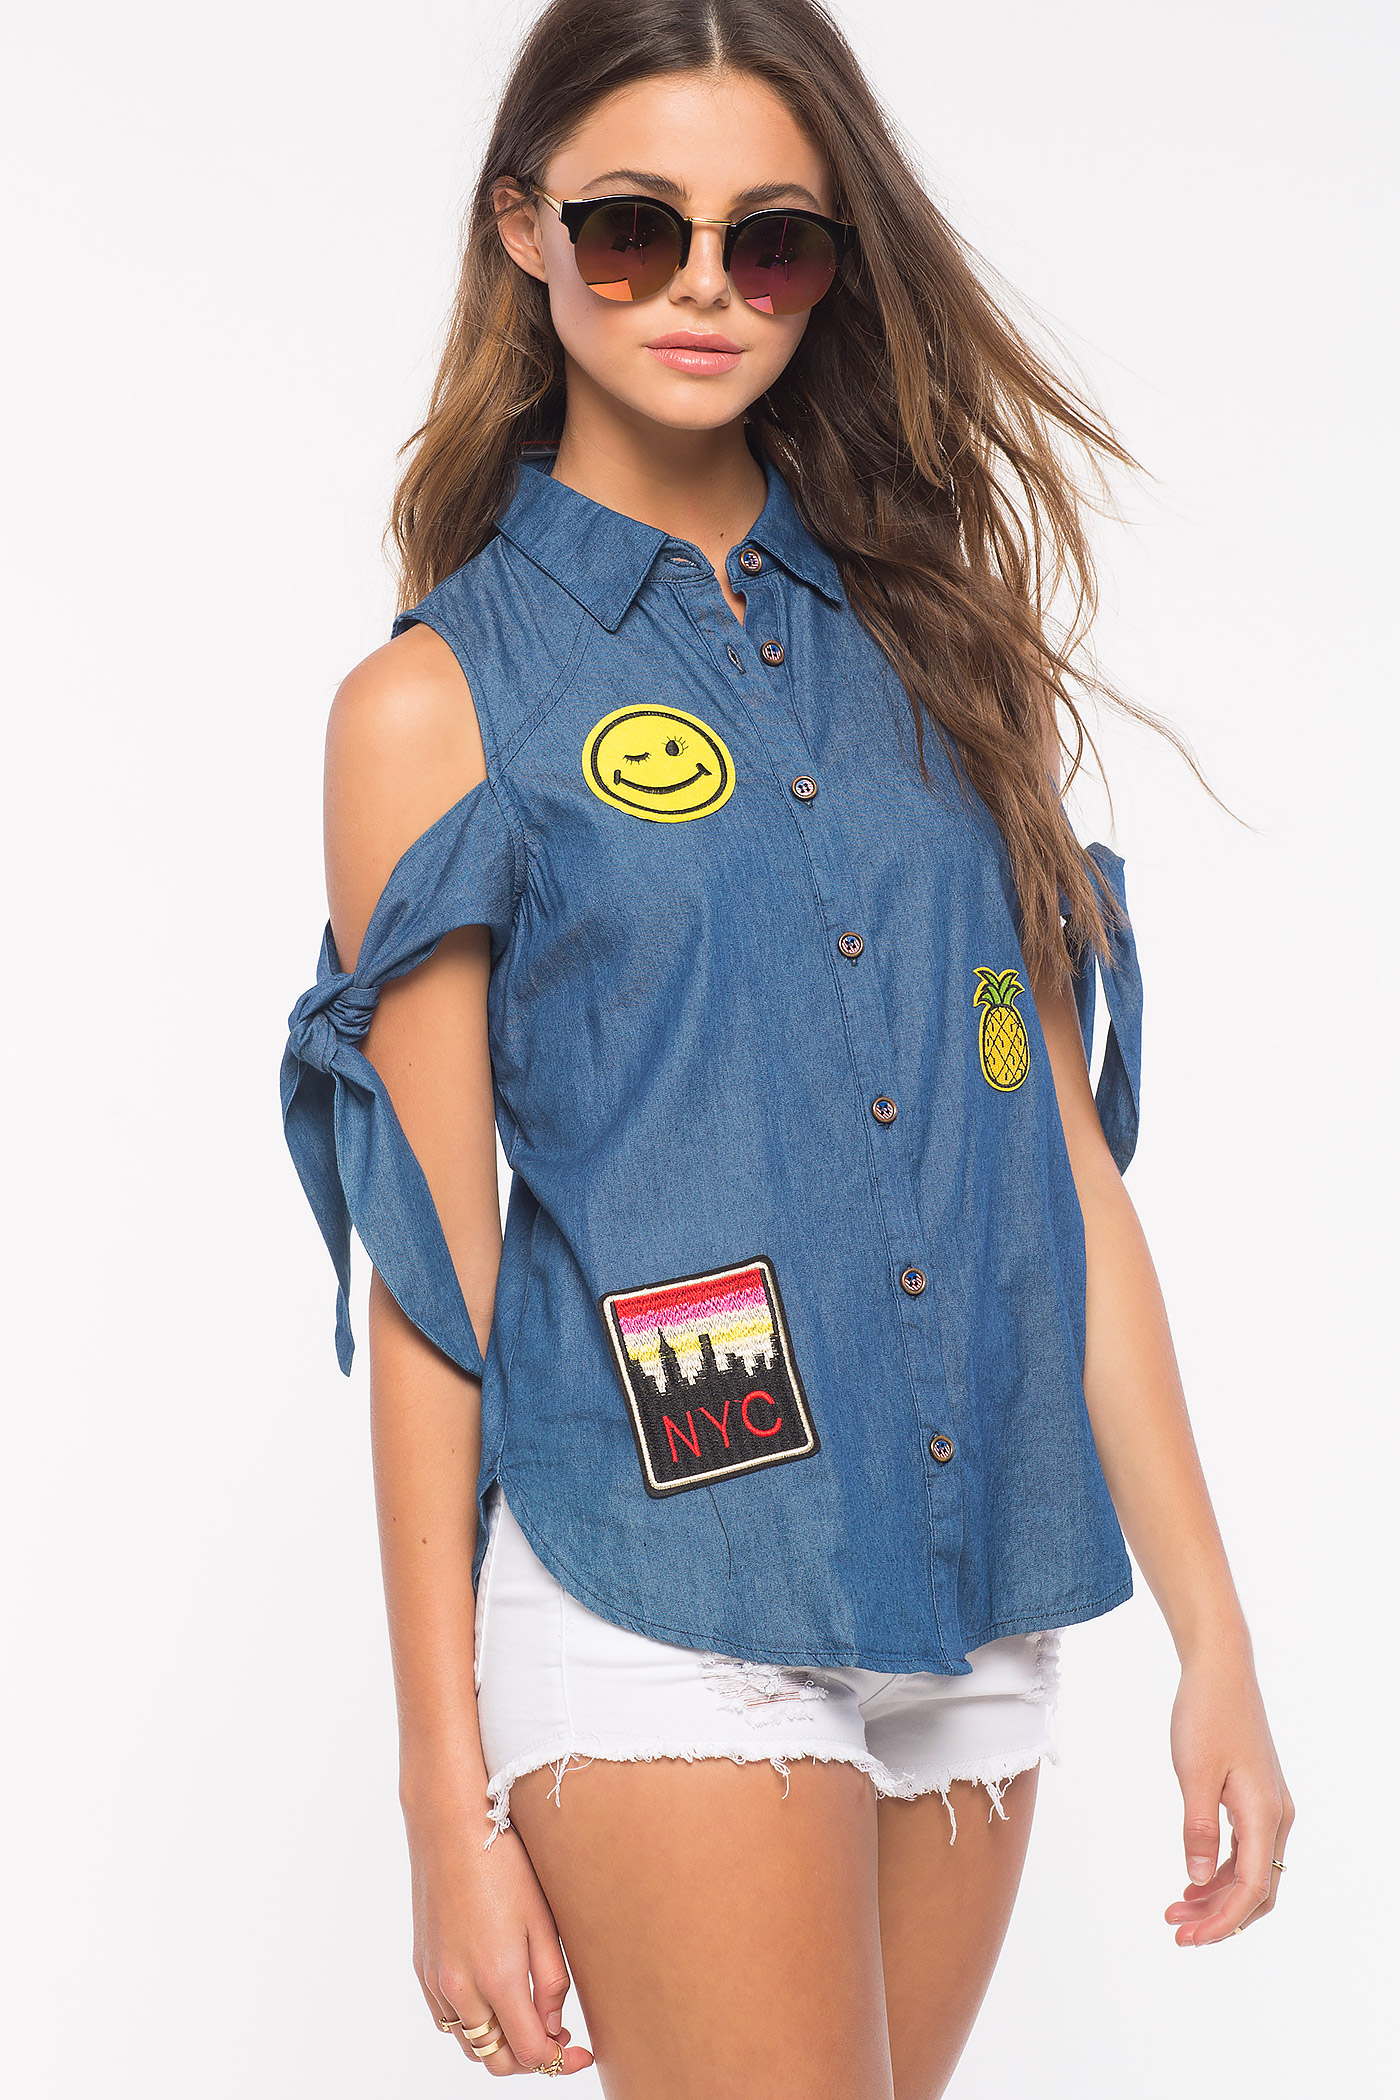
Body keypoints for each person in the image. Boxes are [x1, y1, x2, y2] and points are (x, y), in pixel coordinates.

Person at [280, 1, 1293, 2089]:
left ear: (829, 268)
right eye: (632, 228)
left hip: (974, 1583)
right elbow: (431, 1266)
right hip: (662, 1578)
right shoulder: (433, 708)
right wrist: (442, 1793)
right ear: (524, 232)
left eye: (772, 241)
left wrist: (1218, 1639)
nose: (703, 289)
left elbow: (1062, 1175)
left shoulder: (943, 654)